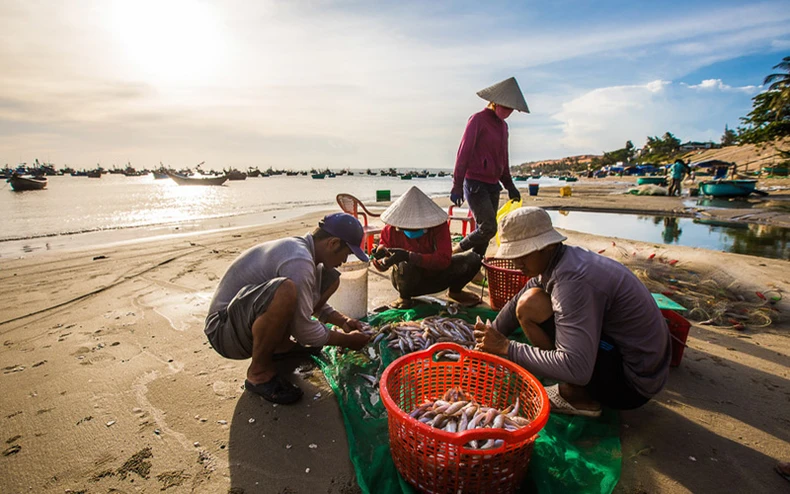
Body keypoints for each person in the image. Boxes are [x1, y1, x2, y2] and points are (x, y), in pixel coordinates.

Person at [474, 207, 671, 416]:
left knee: (530, 305)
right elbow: (516, 301)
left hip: (631, 385)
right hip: (642, 364)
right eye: (514, 254)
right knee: (530, 298)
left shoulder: (572, 281)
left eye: (523, 254)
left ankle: (576, 395)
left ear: (548, 246)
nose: (517, 262)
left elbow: (576, 368)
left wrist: (506, 347)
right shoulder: (565, 258)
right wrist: (489, 336)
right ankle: (572, 382)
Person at [204, 213, 371, 404]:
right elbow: (304, 331)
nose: (344, 260)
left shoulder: (309, 256)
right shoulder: (299, 260)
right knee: (285, 291)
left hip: (243, 321)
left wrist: (342, 320)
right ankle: (258, 374)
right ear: (333, 243)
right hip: (224, 331)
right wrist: (347, 341)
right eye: (346, 253)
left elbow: (308, 303)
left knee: (331, 278)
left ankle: (280, 347)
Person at [451, 77, 529, 257]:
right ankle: (456, 251)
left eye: (511, 109)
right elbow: (464, 153)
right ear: (494, 102)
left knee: (485, 232)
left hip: (493, 185)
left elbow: (503, 159)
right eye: (506, 107)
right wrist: (457, 185)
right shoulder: (477, 120)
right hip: (475, 183)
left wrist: (510, 186)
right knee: (488, 227)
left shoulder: (503, 127)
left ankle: (474, 265)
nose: (508, 112)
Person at [371, 186, 482, 309]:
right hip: (407, 282)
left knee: (474, 259)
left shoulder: (439, 227)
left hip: (438, 277)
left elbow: (444, 260)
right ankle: (404, 297)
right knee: (405, 263)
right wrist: (381, 259)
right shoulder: (390, 230)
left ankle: (455, 291)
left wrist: (410, 256)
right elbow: (382, 262)